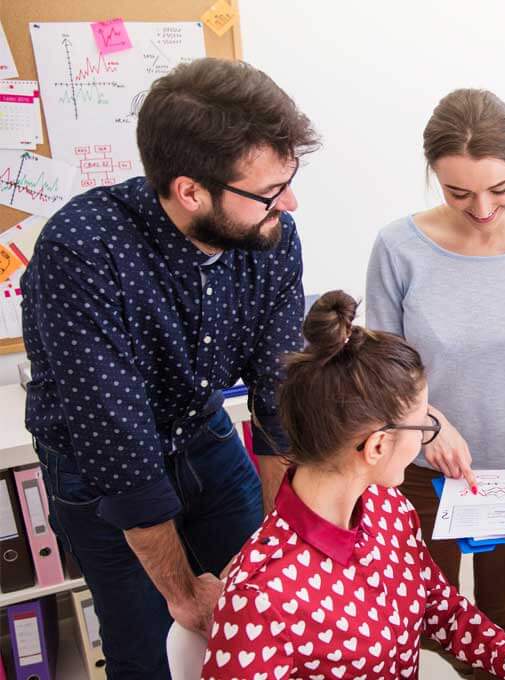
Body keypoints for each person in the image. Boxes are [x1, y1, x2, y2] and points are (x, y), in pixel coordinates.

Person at [20, 58, 315, 677]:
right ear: (190, 192)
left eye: (288, 180)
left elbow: (278, 398)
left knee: (265, 613)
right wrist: (182, 594)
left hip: (202, 436)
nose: (288, 203)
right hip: (99, 471)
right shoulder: (82, 249)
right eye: (269, 191)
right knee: (150, 651)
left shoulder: (271, 236)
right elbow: (118, 450)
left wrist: (274, 547)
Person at [202, 291, 505, 680]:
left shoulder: (391, 508)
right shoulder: (257, 599)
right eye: (424, 425)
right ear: (377, 446)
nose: (426, 437)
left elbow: (441, 610)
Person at [366, 88, 505, 678]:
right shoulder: (397, 248)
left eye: (500, 189)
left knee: (498, 622)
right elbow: (383, 370)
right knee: (418, 622)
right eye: (458, 193)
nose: (482, 208)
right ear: (434, 176)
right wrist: (430, 423)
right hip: (417, 470)